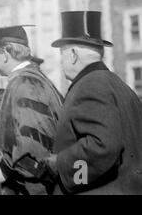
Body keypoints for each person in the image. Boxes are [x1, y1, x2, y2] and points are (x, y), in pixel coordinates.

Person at [44, 11, 142, 194]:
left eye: (62, 53)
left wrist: (60, 163)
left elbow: (103, 146)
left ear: (73, 54)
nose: (61, 62)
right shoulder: (118, 84)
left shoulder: (90, 85)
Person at [0, 25, 63, 195]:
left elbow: (35, 145)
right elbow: (22, 131)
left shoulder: (26, 85)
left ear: (6, 54)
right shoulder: (27, 80)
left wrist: (4, 170)